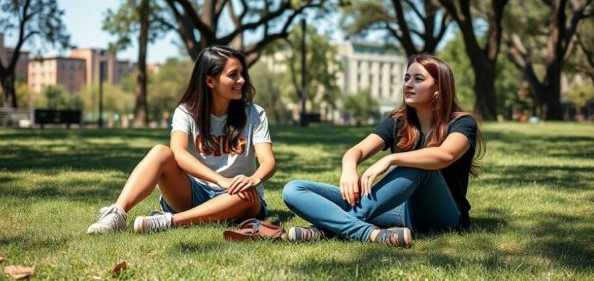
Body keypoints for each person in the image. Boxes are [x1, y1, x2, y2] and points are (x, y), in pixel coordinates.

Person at [282, 54, 484, 247]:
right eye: (406, 78)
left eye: (418, 79)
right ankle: (371, 234)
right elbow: (358, 150)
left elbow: (444, 155)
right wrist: (349, 167)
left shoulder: (462, 122)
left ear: (438, 89)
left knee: (417, 166)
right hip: (400, 211)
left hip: (444, 216)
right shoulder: (398, 121)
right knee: (294, 189)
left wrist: (390, 160)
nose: (408, 84)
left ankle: (327, 230)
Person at [87, 45, 276, 234]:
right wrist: (220, 180)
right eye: (233, 75)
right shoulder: (186, 111)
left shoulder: (255, 113)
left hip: (235, 197)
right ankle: (117, 214)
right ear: (210, 81)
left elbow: (268, 161)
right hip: (192, 193)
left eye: (242, 73)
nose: (241, 80)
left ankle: (169, 222)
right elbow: (178, 152)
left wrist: (253, 179)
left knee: (246, 196)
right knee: (160, 152)